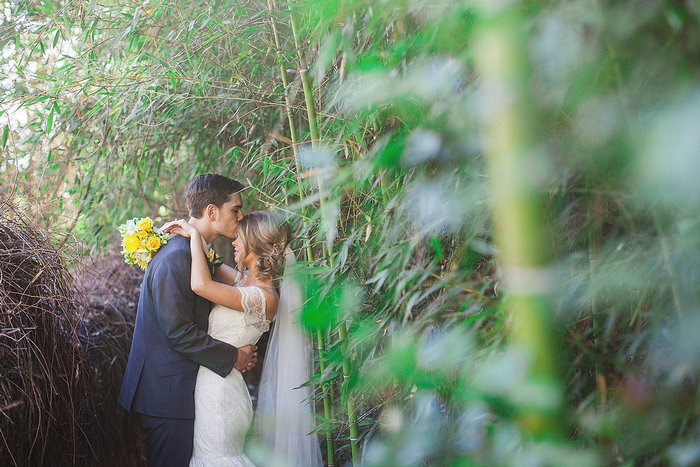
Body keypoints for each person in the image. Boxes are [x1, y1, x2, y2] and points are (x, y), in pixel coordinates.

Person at [118, 174, 258, 467]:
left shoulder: (192, 254)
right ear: (211, 212)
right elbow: (179, 332)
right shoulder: (176, 257)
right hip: (167, 395)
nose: (241, 216)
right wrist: (233, 356)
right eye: (235, 209)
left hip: (178, 391)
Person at [163, 211, 322, 466]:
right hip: (214, 386)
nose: (233, 243)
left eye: (239, 238)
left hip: (221, 396)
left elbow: (201, 284)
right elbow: (211, 263)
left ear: (257, 245)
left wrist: (193, 235)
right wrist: (197, 237)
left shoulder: (263, 297)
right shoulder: (243, 284)